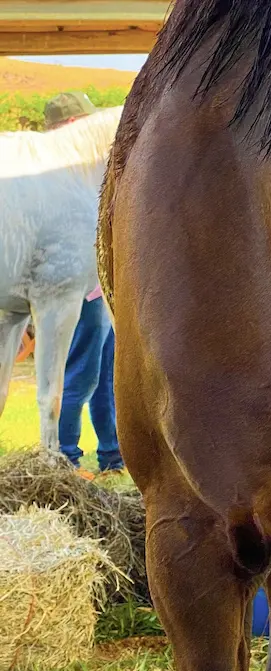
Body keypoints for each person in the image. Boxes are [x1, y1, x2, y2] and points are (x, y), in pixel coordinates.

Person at [44, 92, 124, 478]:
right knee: (81, 375)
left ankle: (111, 455)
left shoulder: (86, 168)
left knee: (106, 377)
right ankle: (66, 458)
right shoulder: (60, 176)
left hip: (98, 287)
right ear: (71, 126)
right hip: (82, 291)